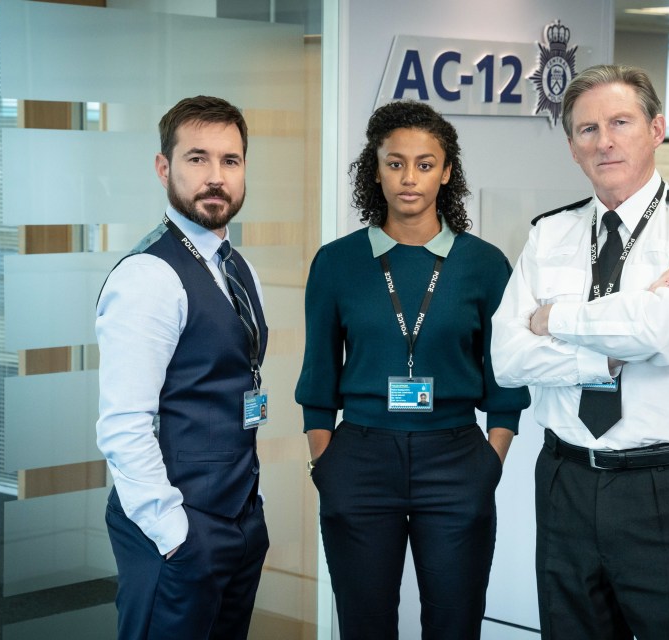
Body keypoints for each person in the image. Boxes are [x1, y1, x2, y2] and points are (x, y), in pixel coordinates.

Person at [491, 64, 669, 640]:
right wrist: (609, 350)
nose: (603, 141)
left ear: (656, 129)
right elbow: (508, 359)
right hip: (566, 480)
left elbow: (664, 331)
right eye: (587, 130)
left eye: (620, 122)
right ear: (572, 147)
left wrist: (554, 318)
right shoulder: (549, 233)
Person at [296, 100, 530, 640]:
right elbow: (319, 377)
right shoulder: (336, 263)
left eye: (425, 164)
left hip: (454, 461)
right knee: (365, 625)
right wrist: (325, 463)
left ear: (446, 172)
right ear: (374, 169)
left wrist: (486, 466)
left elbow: (505, 382)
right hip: (359, 458)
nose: (409, 178)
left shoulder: (484, 263)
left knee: (454, 624)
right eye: (395, 162)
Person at [96, 95, 269, 640]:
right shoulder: (148, 276)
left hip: (238, 520)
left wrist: (246, 523)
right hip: (178, 531)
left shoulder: (237, 267)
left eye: (230, 161)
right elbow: (124, 426)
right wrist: (175, 535)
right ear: (164, 167)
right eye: (198, 159)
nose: (216, 177)